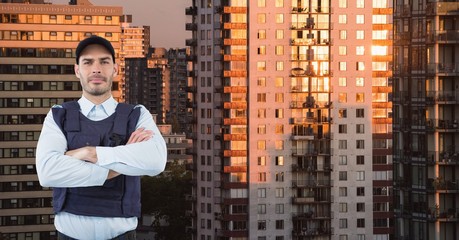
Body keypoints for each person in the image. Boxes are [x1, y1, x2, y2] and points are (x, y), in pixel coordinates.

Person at [36, 35, 167, 240]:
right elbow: (47, 173)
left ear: (115, 69)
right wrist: (118, 165)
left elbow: (156, 161)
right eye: (88, 62)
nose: (96, 68)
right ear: (77, 70)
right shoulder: (58, 115)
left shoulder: (137, 114)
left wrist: (87, 152)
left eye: (104, 61)